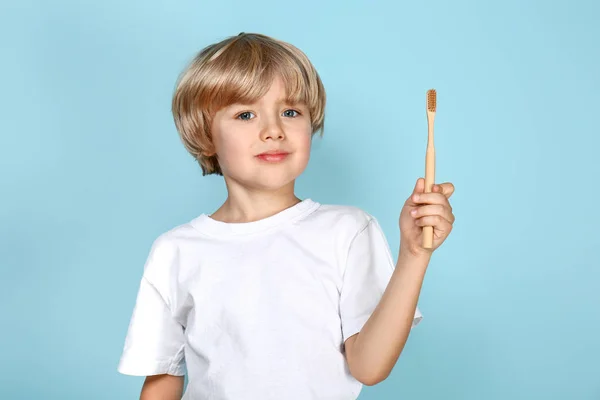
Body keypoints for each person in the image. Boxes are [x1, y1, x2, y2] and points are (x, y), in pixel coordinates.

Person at [117, 32, 456, 400]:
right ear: (205, 134)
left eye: (290, 112)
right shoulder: (175, 251)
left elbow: (369, 367)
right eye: (245, 114)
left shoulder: (348, 231)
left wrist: (414, 255)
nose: (274, 131)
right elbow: (164, 378)